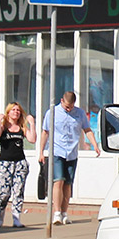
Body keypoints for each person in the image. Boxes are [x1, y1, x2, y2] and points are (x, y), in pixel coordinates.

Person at [38, 91, 101, 226]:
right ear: (61, 101)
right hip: (57, 151)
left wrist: (95, 145)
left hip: (71, 152)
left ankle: (65, 213)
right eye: (67, 107)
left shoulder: (80, 113)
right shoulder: (52, 112)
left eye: (71, 107)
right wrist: (41, 151)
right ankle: (57, 213)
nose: (69, 109)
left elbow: (87, 130)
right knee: (58, 181)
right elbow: (45, 132)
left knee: (68, 183)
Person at [0, 102, 36, 228]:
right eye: (13, 110)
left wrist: (31, 124)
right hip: (4, 163)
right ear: (8, 112)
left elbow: (32, 139)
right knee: (4, 192)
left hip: (20, 163)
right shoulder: (3, 126)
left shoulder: (22, 127)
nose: (16, 112)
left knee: (18, 191)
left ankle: (16, 218)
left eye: (18, 110)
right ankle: (1, 212)